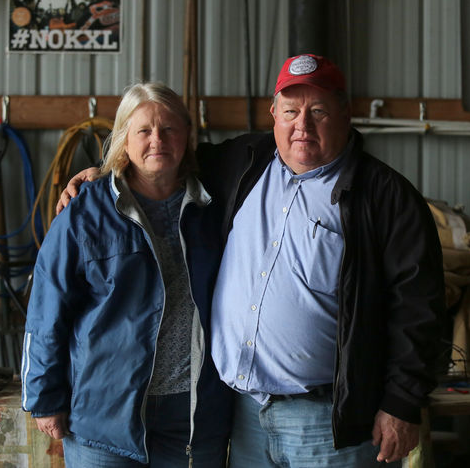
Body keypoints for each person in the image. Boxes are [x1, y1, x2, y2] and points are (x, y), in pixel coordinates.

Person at [58, 54, 445, 467]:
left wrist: (402, 403)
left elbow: (419, 308)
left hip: (326, 421)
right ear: (273, 114)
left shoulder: (386, 197)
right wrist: (104, 175)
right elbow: (160, 159)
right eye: (291, 111)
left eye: (318, 112)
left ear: (346, 113)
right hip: (243, 415)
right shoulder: (241, 163)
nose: (303, 126)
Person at [23, 82, 232, 467]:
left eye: (169, 129)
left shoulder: (213, 203)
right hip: (105, 416)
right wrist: (43, 396)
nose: (158, 140)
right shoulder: (86, 210)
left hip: (192, 416)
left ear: (187, 134)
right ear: (123, 137)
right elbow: (47, 306)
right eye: (144, 130)